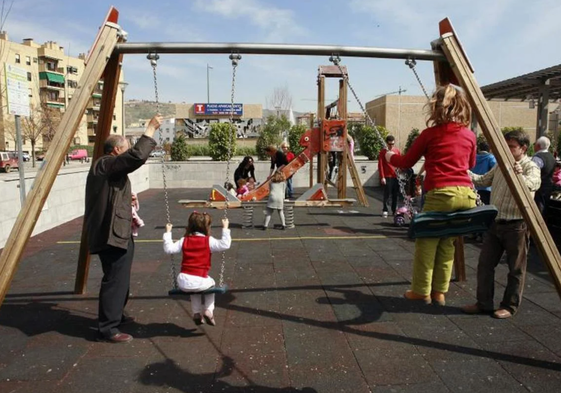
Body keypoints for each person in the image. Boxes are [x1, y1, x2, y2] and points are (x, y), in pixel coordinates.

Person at [385, 84, 477, 306]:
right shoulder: (469, 135)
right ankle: (439, 292)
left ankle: (421, 291)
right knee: (447, 243)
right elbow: (470, 164)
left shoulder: (430, 134)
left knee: (426, 242)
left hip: (441, 194)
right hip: (466, 195)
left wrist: (389, 157)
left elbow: (406, 162)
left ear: (436, 108)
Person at [85, 114, 162, 343]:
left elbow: (111, 192)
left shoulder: (107, 167)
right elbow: (136, 157)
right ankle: (108, 328)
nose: (128, 152)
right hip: (111, 233)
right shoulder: (106, 164)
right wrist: (149, 129)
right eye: (125, 149)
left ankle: (115, 312)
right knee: (115, 277)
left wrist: (126, 197)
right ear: (117, 150)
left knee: (121, 275)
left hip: (116, 230)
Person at [462, 130, 541, 319]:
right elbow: (482, 180)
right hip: (496, 222)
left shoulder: (530, 166)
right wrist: (461, 169)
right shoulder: (500, 166)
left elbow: (533, 184)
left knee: (516, 269)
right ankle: (484, 303)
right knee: (485, 264)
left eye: (511, 146)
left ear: (523, 148)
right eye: (505, 145)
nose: (506, 149)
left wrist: (519, 175)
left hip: (517, 225)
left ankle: (510, 306)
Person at [163, 212, 231, 326]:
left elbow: (169, 249)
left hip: (183, 281)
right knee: (211, 286)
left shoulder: (184, 240)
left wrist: (168, 232)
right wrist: (225, 228)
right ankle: (209, 310)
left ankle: (196, 313)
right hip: (199, 280)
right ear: (207, 227)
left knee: (194, 291)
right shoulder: (208, 241)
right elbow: (225, 244)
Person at [531, 136, 555, 216]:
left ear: (538, 146)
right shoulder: (552, 157)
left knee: (537, 210)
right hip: (548, 186)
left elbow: (532, 174)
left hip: (539, 188)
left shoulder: (537, 158)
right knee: (544, 209)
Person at [378, 135, 401, 218]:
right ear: (387, 143)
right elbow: (380, 165)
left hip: (396, 176)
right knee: (387, 194)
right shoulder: (383, 152)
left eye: (393, 144)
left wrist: (401, 172)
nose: (391, 146)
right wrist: (382, 177)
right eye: (390, 144)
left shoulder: (397, 151)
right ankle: (385, 209)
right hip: (387, 176)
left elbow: (399, 163)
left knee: (395, 194)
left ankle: (394, 210)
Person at [472, 141, 497, 205]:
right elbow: (495, 168)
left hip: (475, 186)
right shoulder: (490, 158)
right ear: (489, 149)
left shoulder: (474, 157)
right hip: (486, 188)